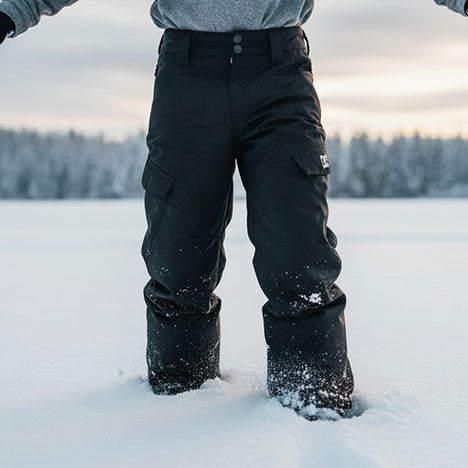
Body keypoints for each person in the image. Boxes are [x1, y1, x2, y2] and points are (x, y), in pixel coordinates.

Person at [0, 0, 466, 420]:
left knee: (298, 254)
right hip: (187, 74)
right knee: (177, 258)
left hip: (279, 72)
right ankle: (174, 407)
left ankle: (315, 410)